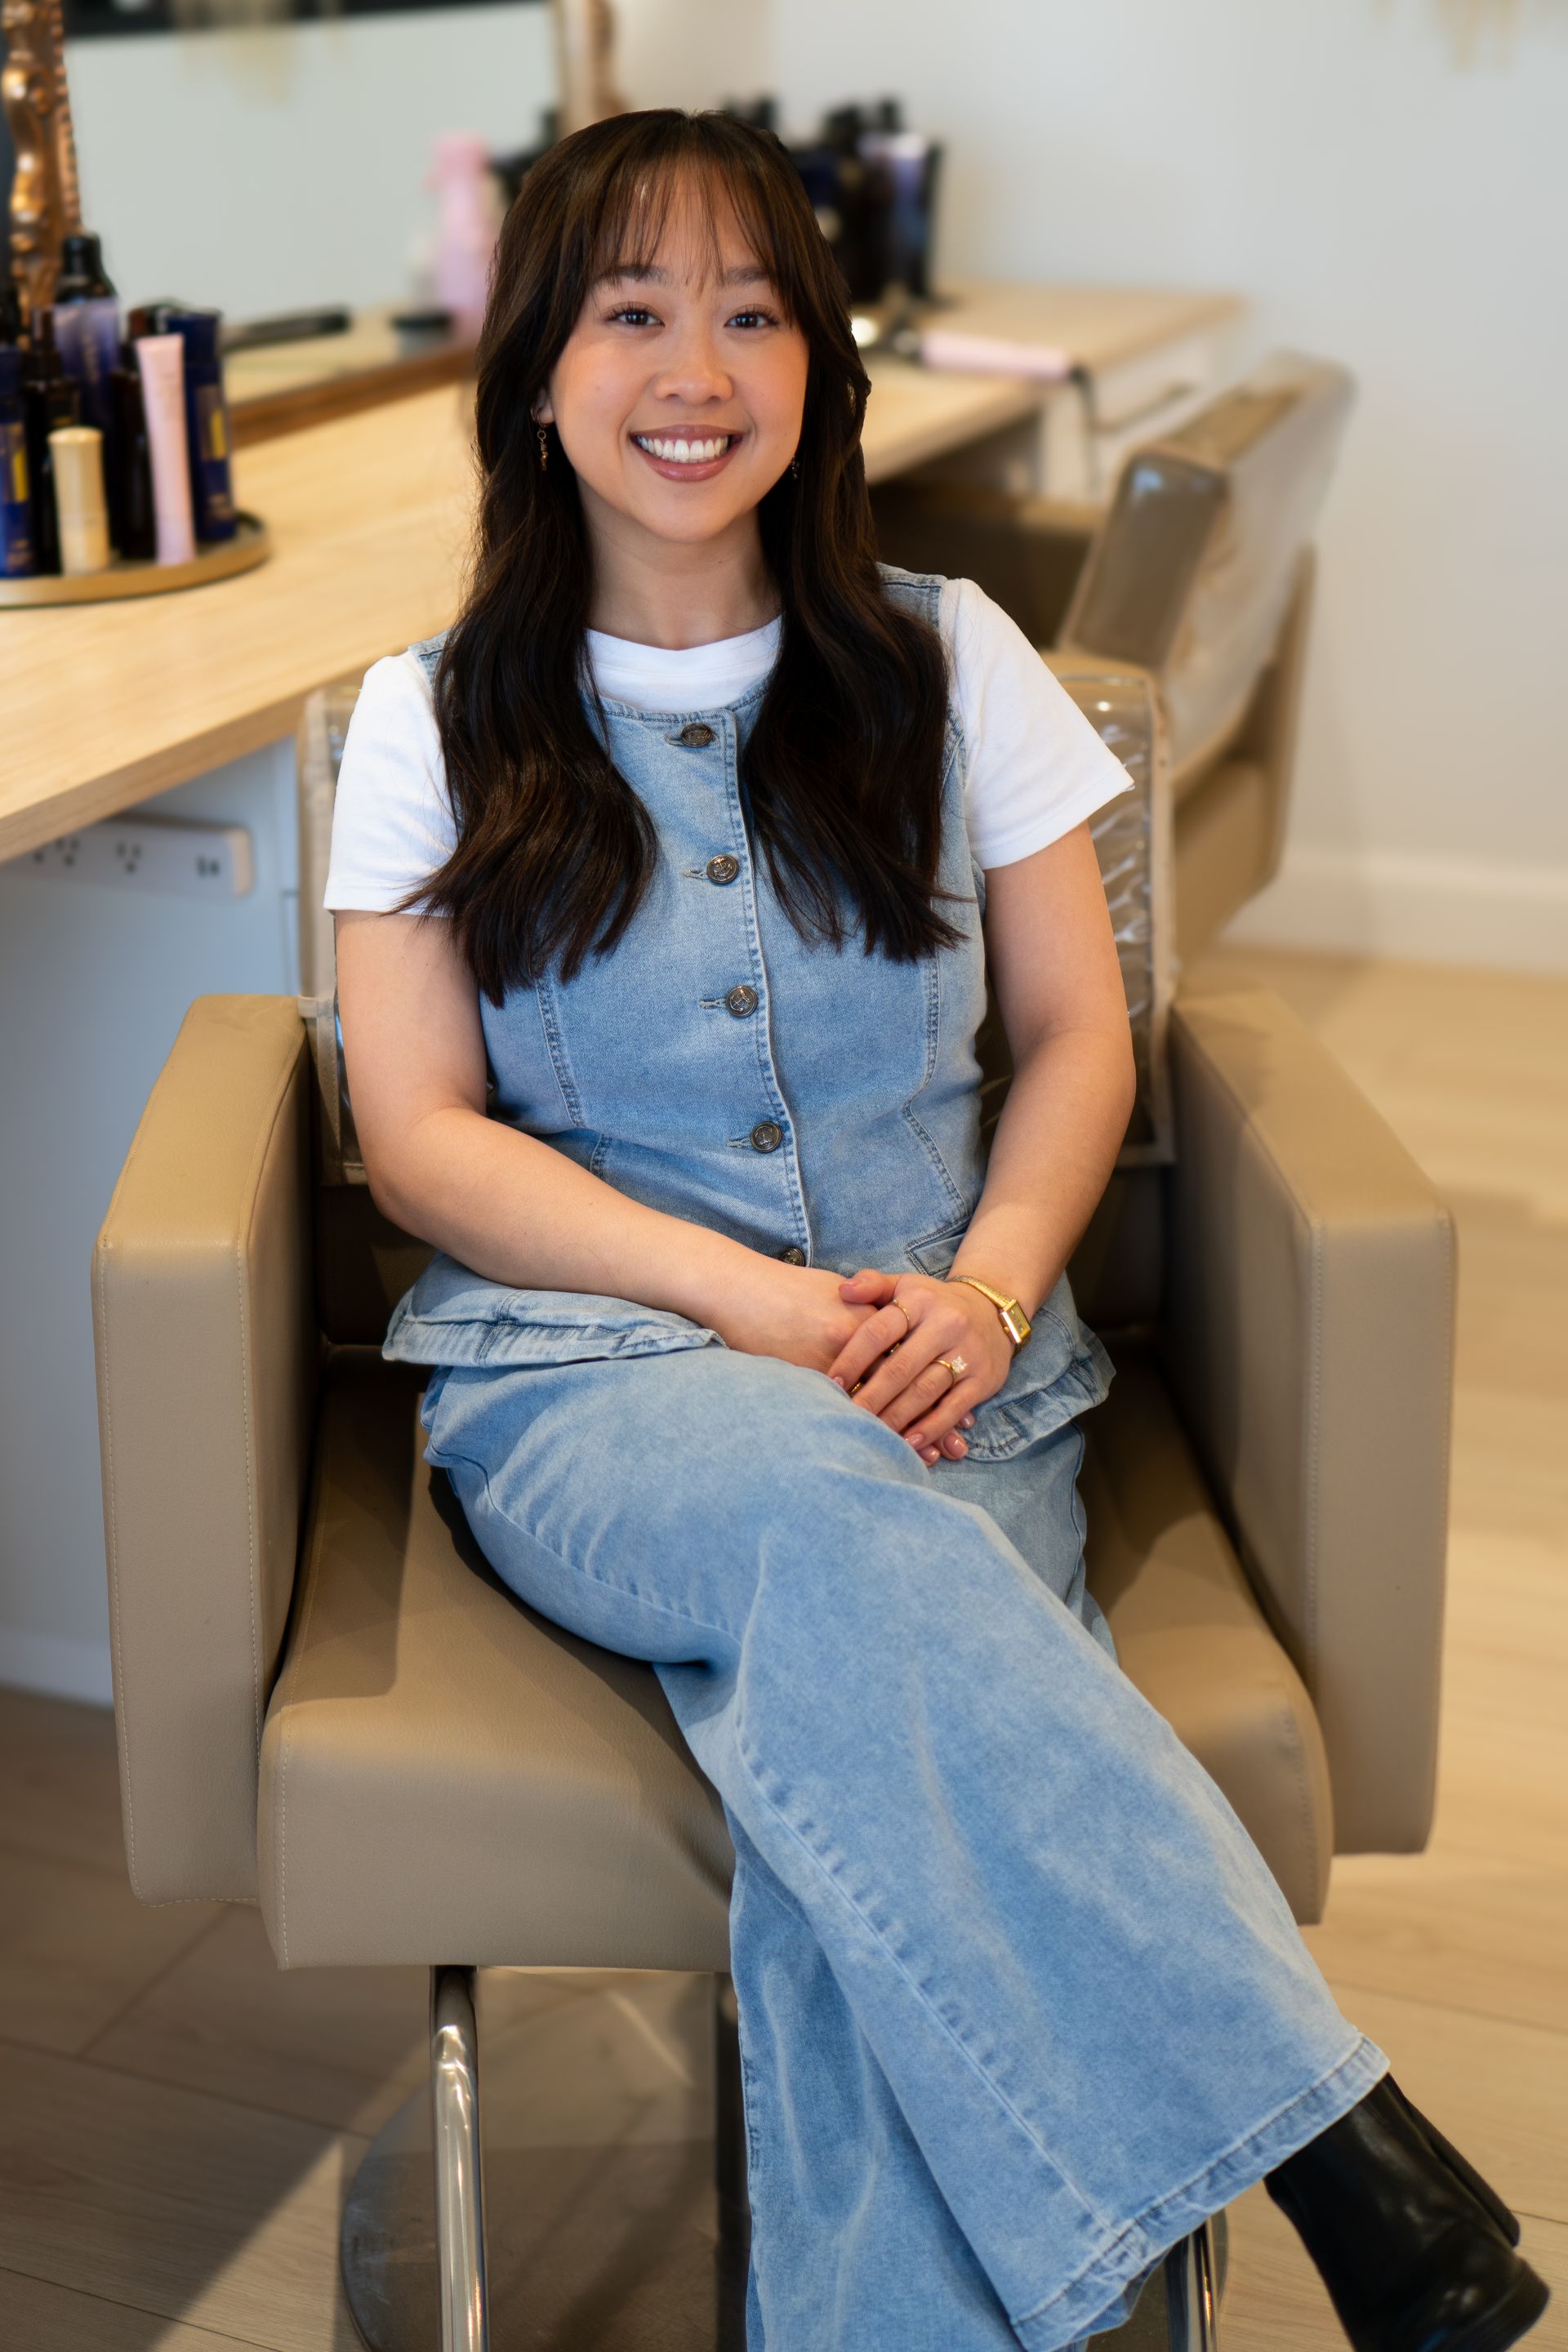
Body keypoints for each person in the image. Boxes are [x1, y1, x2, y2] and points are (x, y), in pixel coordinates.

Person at [325, 107, 1548, 2352]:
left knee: (852, 1836)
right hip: (596, 1388)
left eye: (751, 309)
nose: (695, 366)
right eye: (631, 310)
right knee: (819, 1498)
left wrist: (986, 1294)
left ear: (819, 367)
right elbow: (417, 1142)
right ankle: (1328, 2144)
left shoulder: (951, 657)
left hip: (957, 1361)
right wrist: (756, 1310)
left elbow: (1086, 1040)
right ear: (535, 373)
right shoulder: (431, 719)